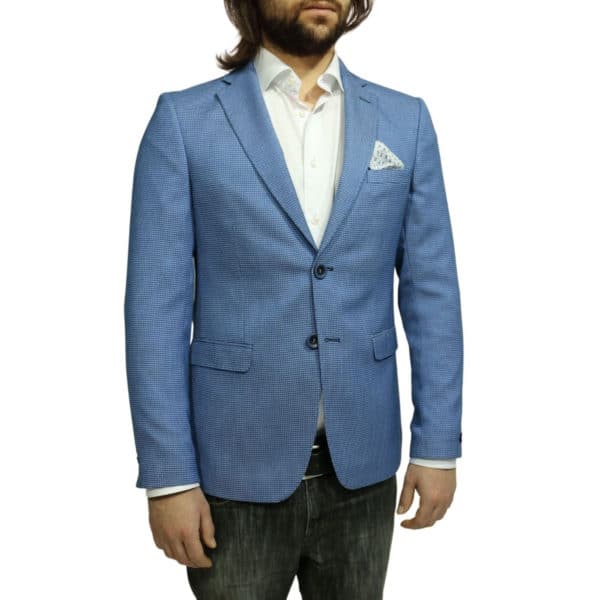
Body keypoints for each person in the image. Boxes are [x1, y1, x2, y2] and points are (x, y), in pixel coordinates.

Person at [124, 1, 464, 598]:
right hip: (230, 476)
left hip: (363, 470)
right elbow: (155, 313)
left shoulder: (404, 120)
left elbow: (433, 293)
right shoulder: (184, 122)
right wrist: (168, 476)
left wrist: (437, 447)